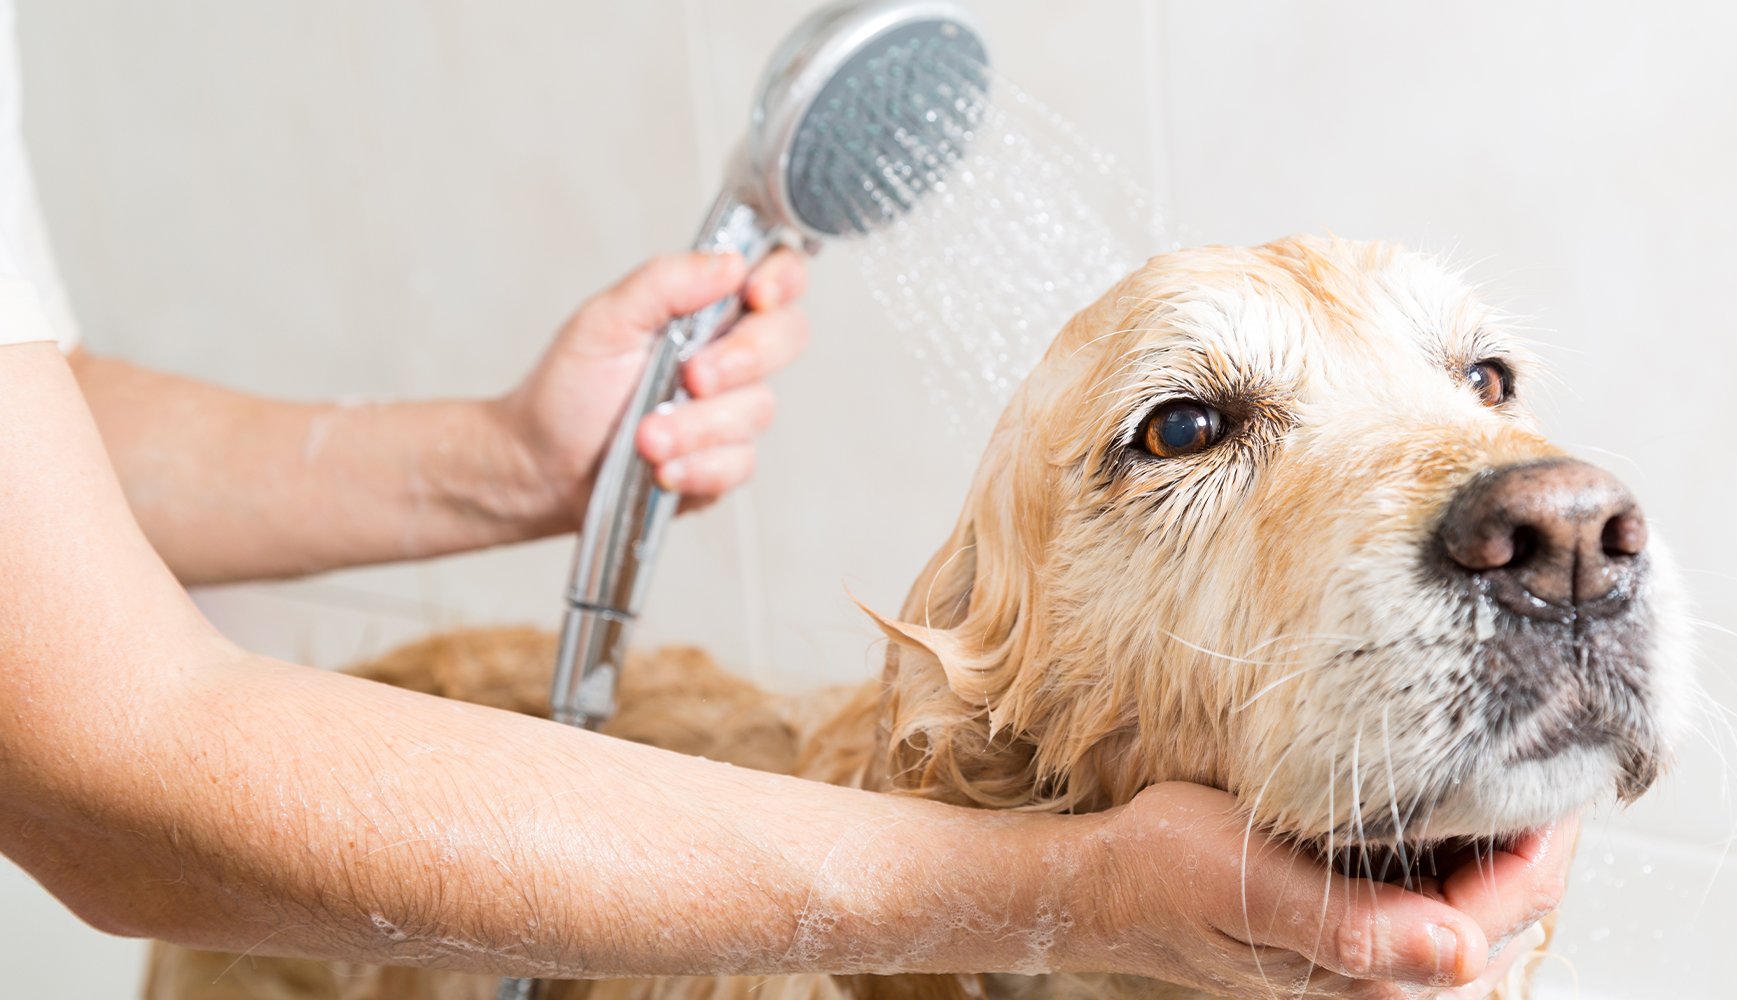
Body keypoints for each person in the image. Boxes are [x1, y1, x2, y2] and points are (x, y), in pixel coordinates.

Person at [0, 5, 1568, 998]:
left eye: (1484, 380)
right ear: (998, 725)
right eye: (1190, 425)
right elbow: (100, 759)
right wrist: (1061, 900)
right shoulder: (999, 809)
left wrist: (497, 455)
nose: (1548, 519)